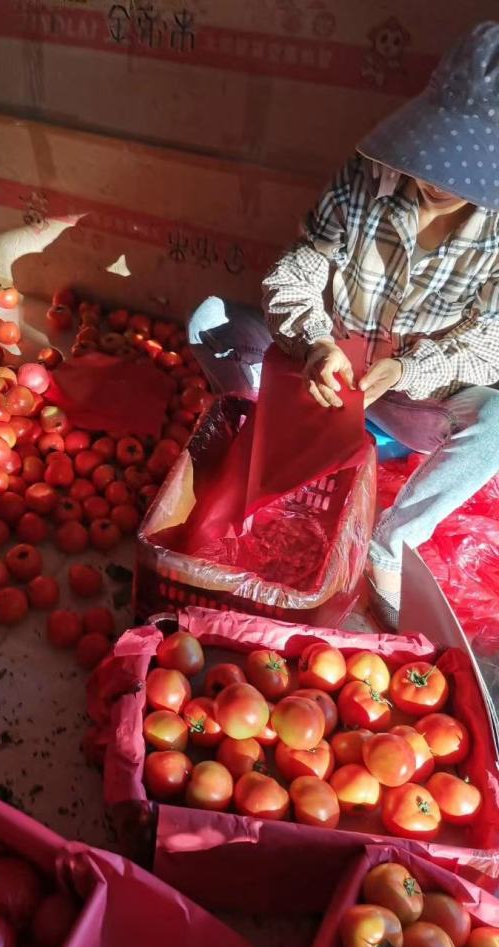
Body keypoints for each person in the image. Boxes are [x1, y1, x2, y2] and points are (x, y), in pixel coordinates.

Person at [188, 21, 499, 629]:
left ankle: (391, 538)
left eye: (462, 172)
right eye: (436, 158)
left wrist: (410, 367)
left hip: (412, 395)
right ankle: (283, 435)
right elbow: (297, 270)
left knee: (497, 422)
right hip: (325, 372)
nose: (436, 182)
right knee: (210, 320)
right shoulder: (366, 180)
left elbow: (491, 343)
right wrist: (316, 341)